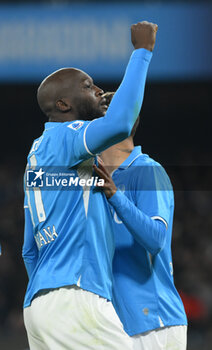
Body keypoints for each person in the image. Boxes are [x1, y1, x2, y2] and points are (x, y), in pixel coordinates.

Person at [22, 21, 158, 350]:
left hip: (39, 305)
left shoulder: (37, 156)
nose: (97, 90)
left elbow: (29, 250)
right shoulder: (67, 137)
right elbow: (121, 122)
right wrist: (142, 51)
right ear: (64, 106)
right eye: (88, 86)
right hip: (76, 297)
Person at [94, 96, 188, 350]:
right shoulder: (92, 181)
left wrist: (115, 196)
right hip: (114, 325)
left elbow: (156, 238)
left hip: (153, 324)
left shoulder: (146, 170)